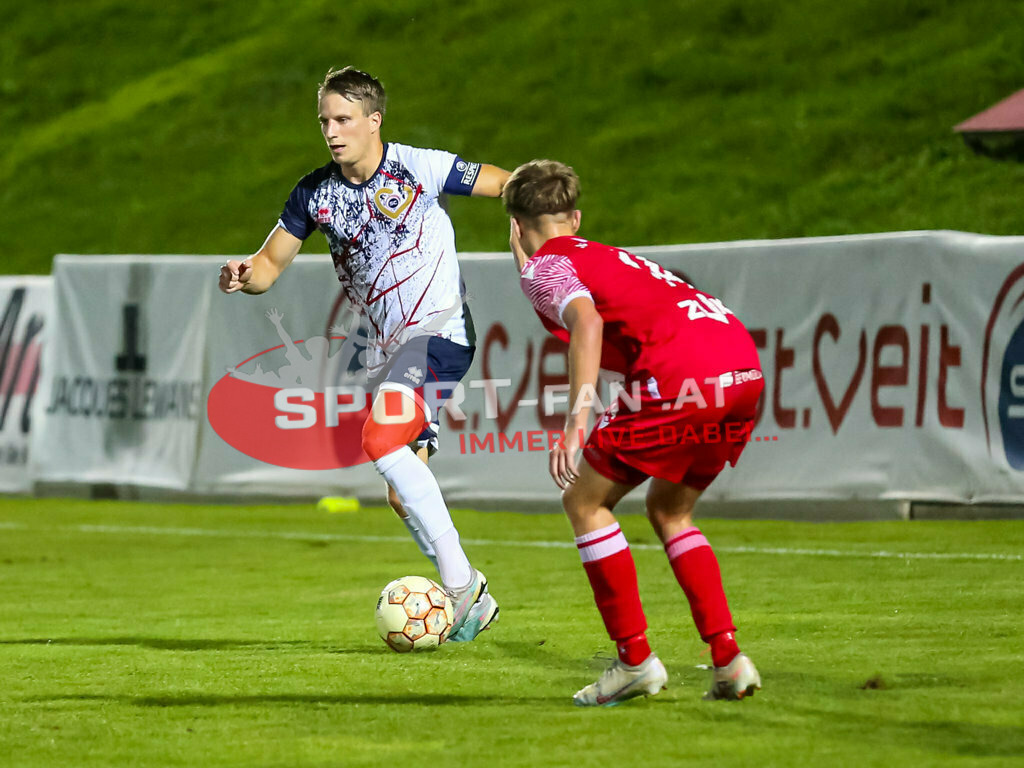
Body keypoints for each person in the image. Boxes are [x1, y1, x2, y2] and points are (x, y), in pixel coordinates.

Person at [219, 67, 510, 642]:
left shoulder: (420, 167)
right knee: (401, 492)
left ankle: (463, 588)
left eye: (344, 119)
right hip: (387, 350)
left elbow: (502, 182)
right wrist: (243, 274)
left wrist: (538, 206)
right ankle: (472, 599)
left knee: (379, 441)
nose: (332, 131)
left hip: (437, 333)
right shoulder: (315, 193)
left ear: (374, 122)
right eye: (325, 120)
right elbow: (269, 266)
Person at [503, 159, 764, 705]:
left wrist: (578, 420)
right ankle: (728, 660)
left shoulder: (545, 267)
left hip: (682, 374)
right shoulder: (608, 256)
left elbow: (586, 323)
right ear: (575, 217)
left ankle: (635, 659)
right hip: (743, 367)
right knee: (671, 510)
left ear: (517, 226)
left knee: (584, 501)